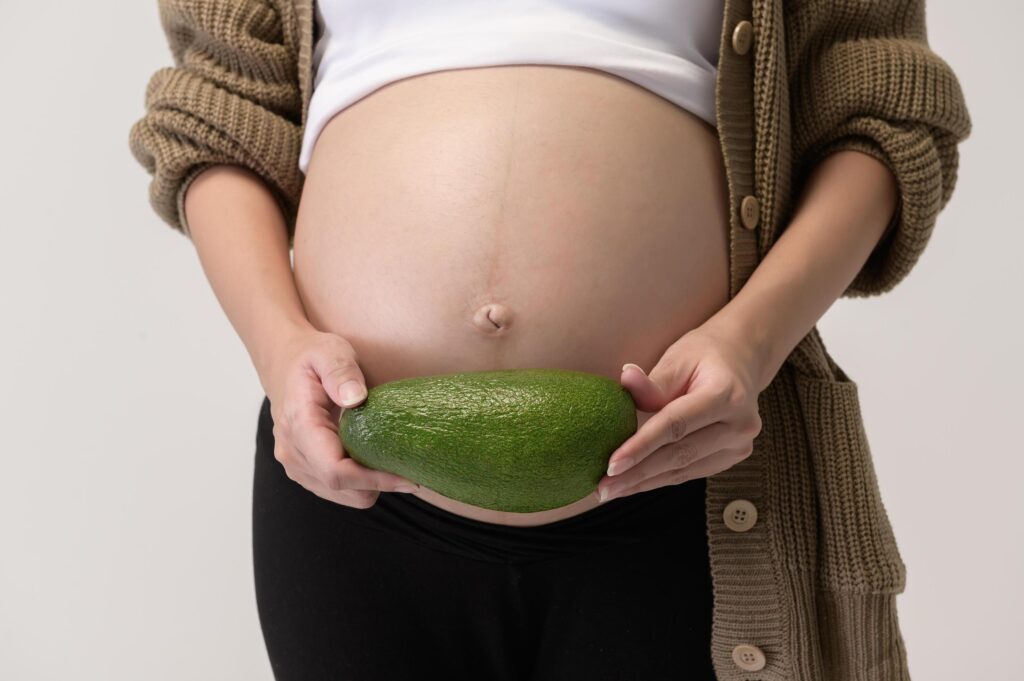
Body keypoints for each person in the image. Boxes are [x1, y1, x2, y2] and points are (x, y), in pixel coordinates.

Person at [128, 1, 972, 679]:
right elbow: (216, 113)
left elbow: (878, 110)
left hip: (688, 497)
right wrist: (280, 349)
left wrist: (750, 343)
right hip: (359, 506)